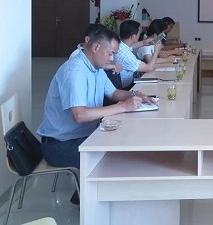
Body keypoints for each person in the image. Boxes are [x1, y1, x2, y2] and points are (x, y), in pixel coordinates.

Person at [37, 28, 157, 203]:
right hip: (60, 144)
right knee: (115, 157)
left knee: (124, 144)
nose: (112, 59)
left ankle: (91, 197)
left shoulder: (96, 68)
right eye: (110, 53)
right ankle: (91, 204)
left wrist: (135, 95)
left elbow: (114, 93)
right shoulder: (75, 71)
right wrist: (122, 107)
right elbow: (79, 115)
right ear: (95, 47)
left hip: (83, 136)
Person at [115, 20, 163, 89]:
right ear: (133, 36)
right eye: (139, 33)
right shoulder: (127, 55)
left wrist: (143, 43)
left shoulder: (119, 45)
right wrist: (156, 51)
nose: (139, 35)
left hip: (126, 83)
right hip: (126, 88)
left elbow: (131, 47)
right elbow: (149, 68)